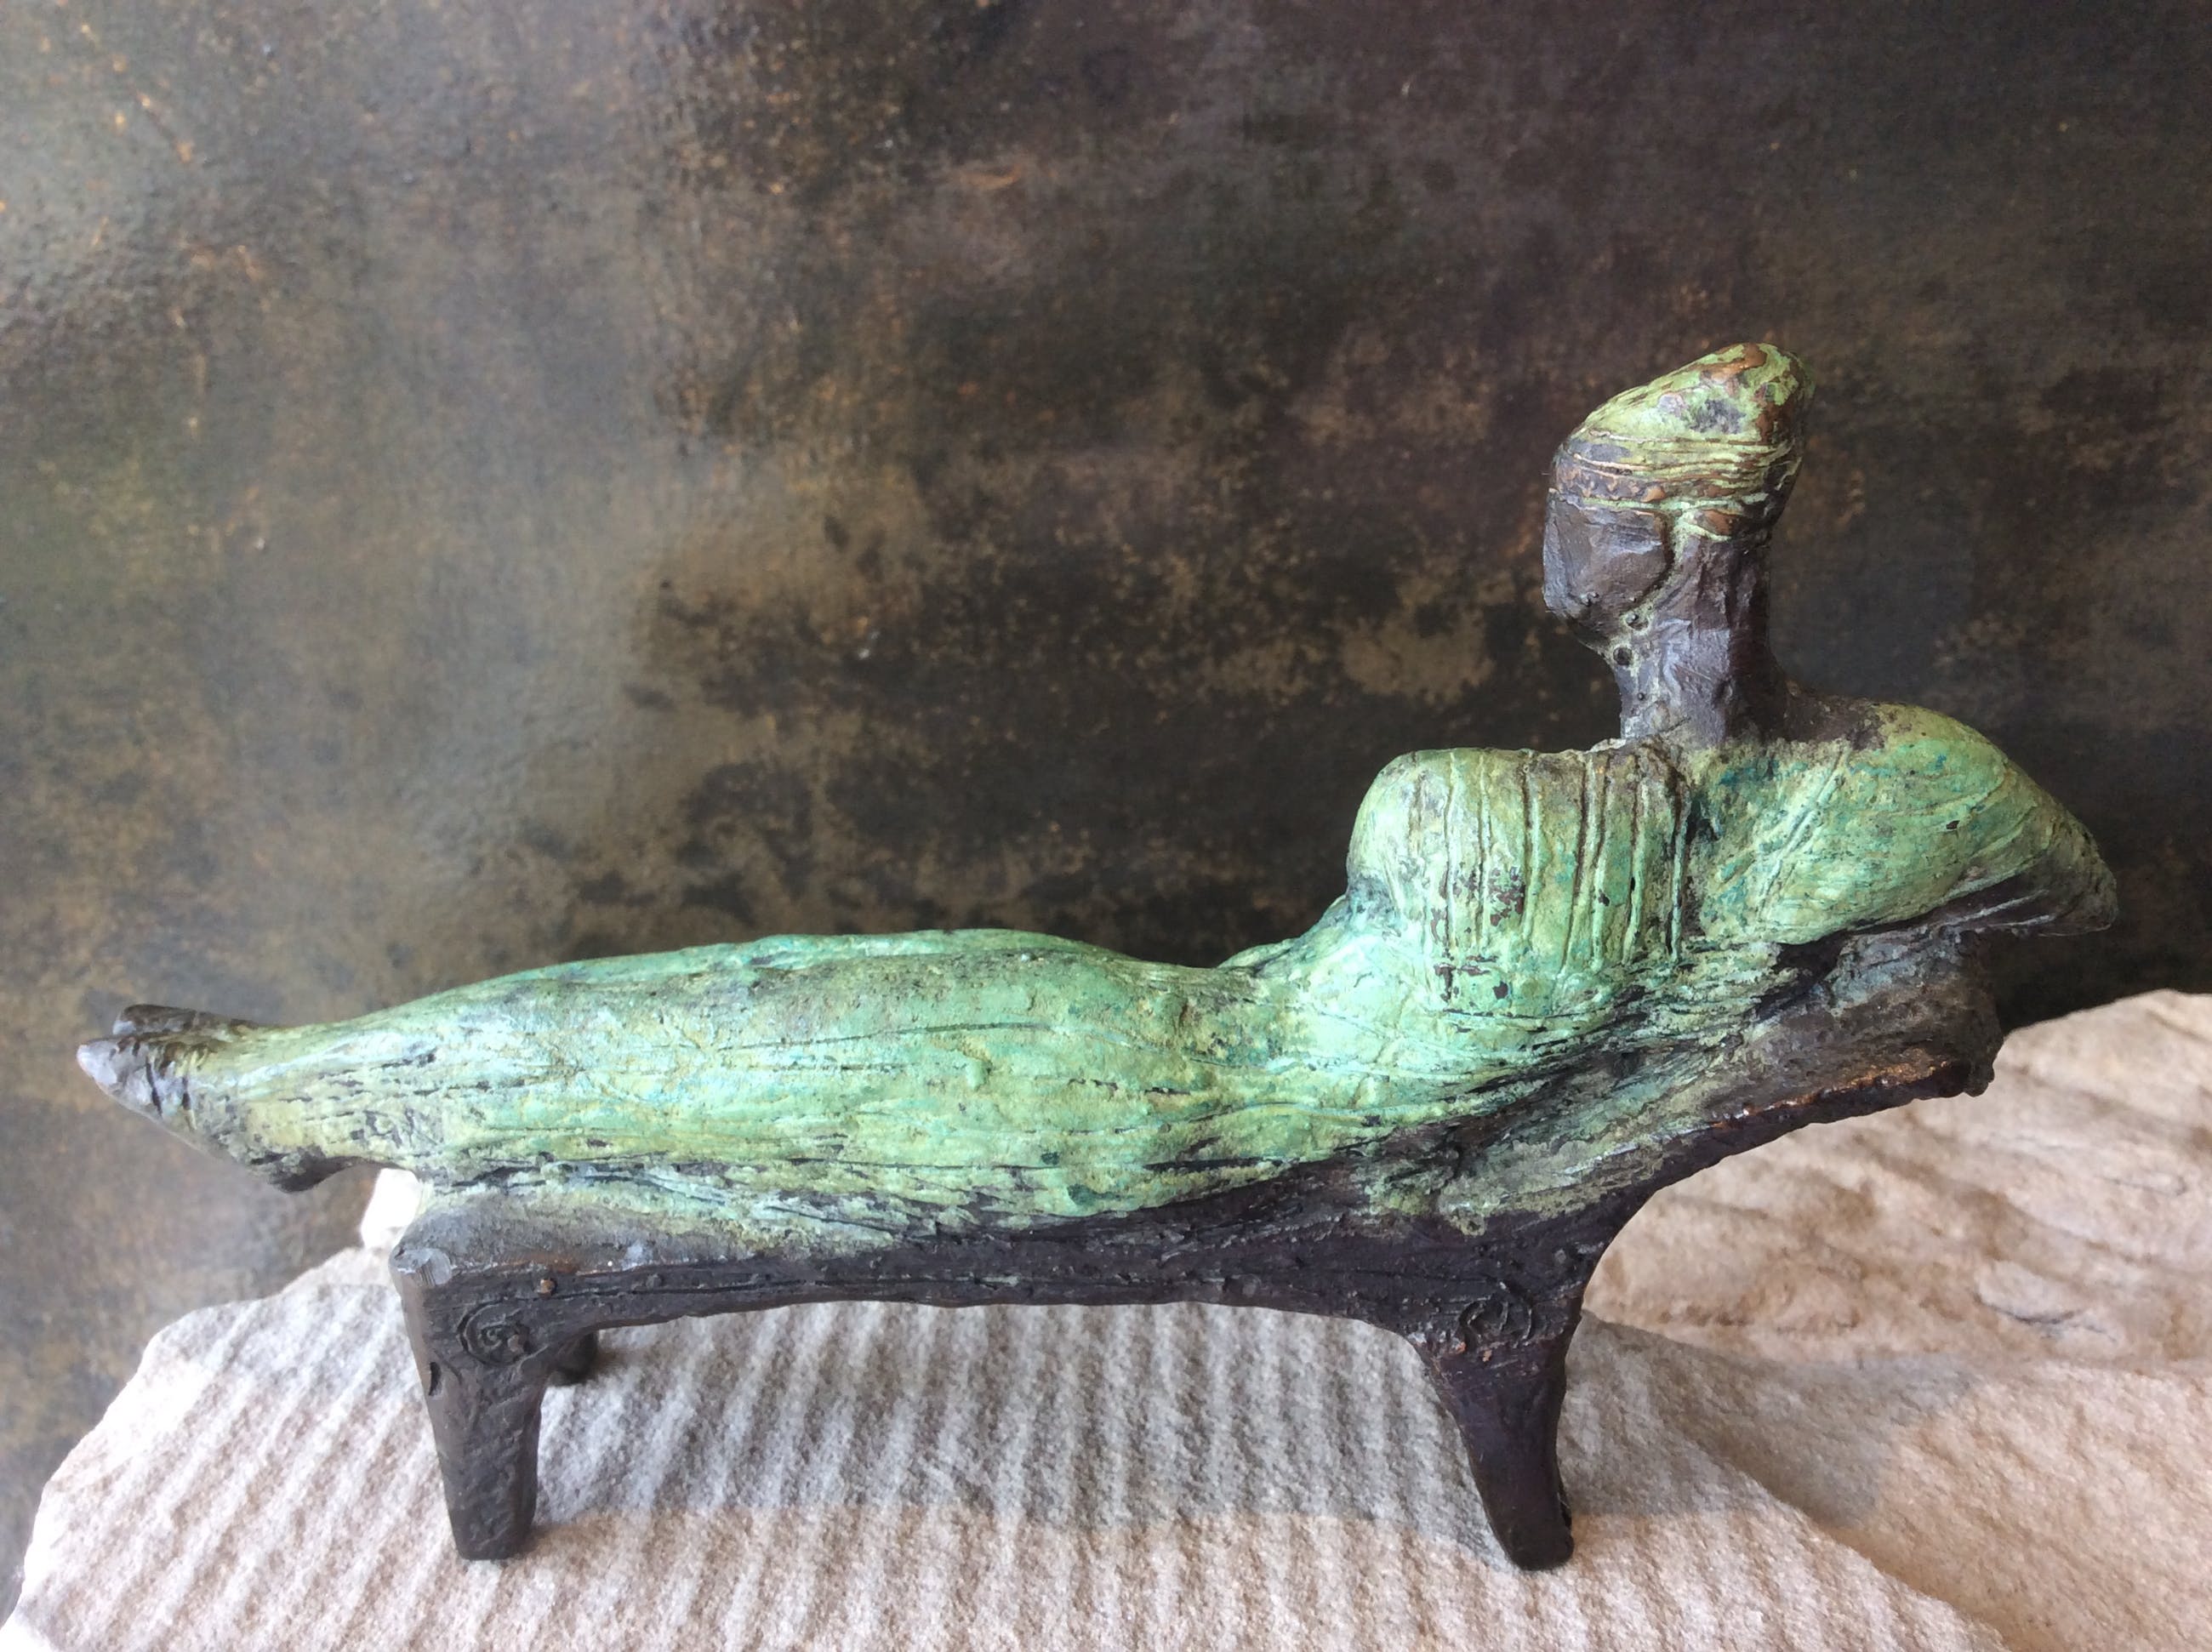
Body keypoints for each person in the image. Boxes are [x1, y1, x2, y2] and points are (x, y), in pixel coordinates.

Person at [77, 346, 2112, 1248]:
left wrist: (1767, 1007)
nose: (1546, 540)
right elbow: (2047, 896)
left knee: (764, 1042)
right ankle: (309, 1085)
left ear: (1666, 543)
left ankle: (306, 1094)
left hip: (1199, 1105)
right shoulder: (1851, 790)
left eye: (1580, 507)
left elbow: (2047, 912)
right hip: (1187, 1031)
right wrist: (1763, 991)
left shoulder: (1839, 800)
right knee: (794, 997)